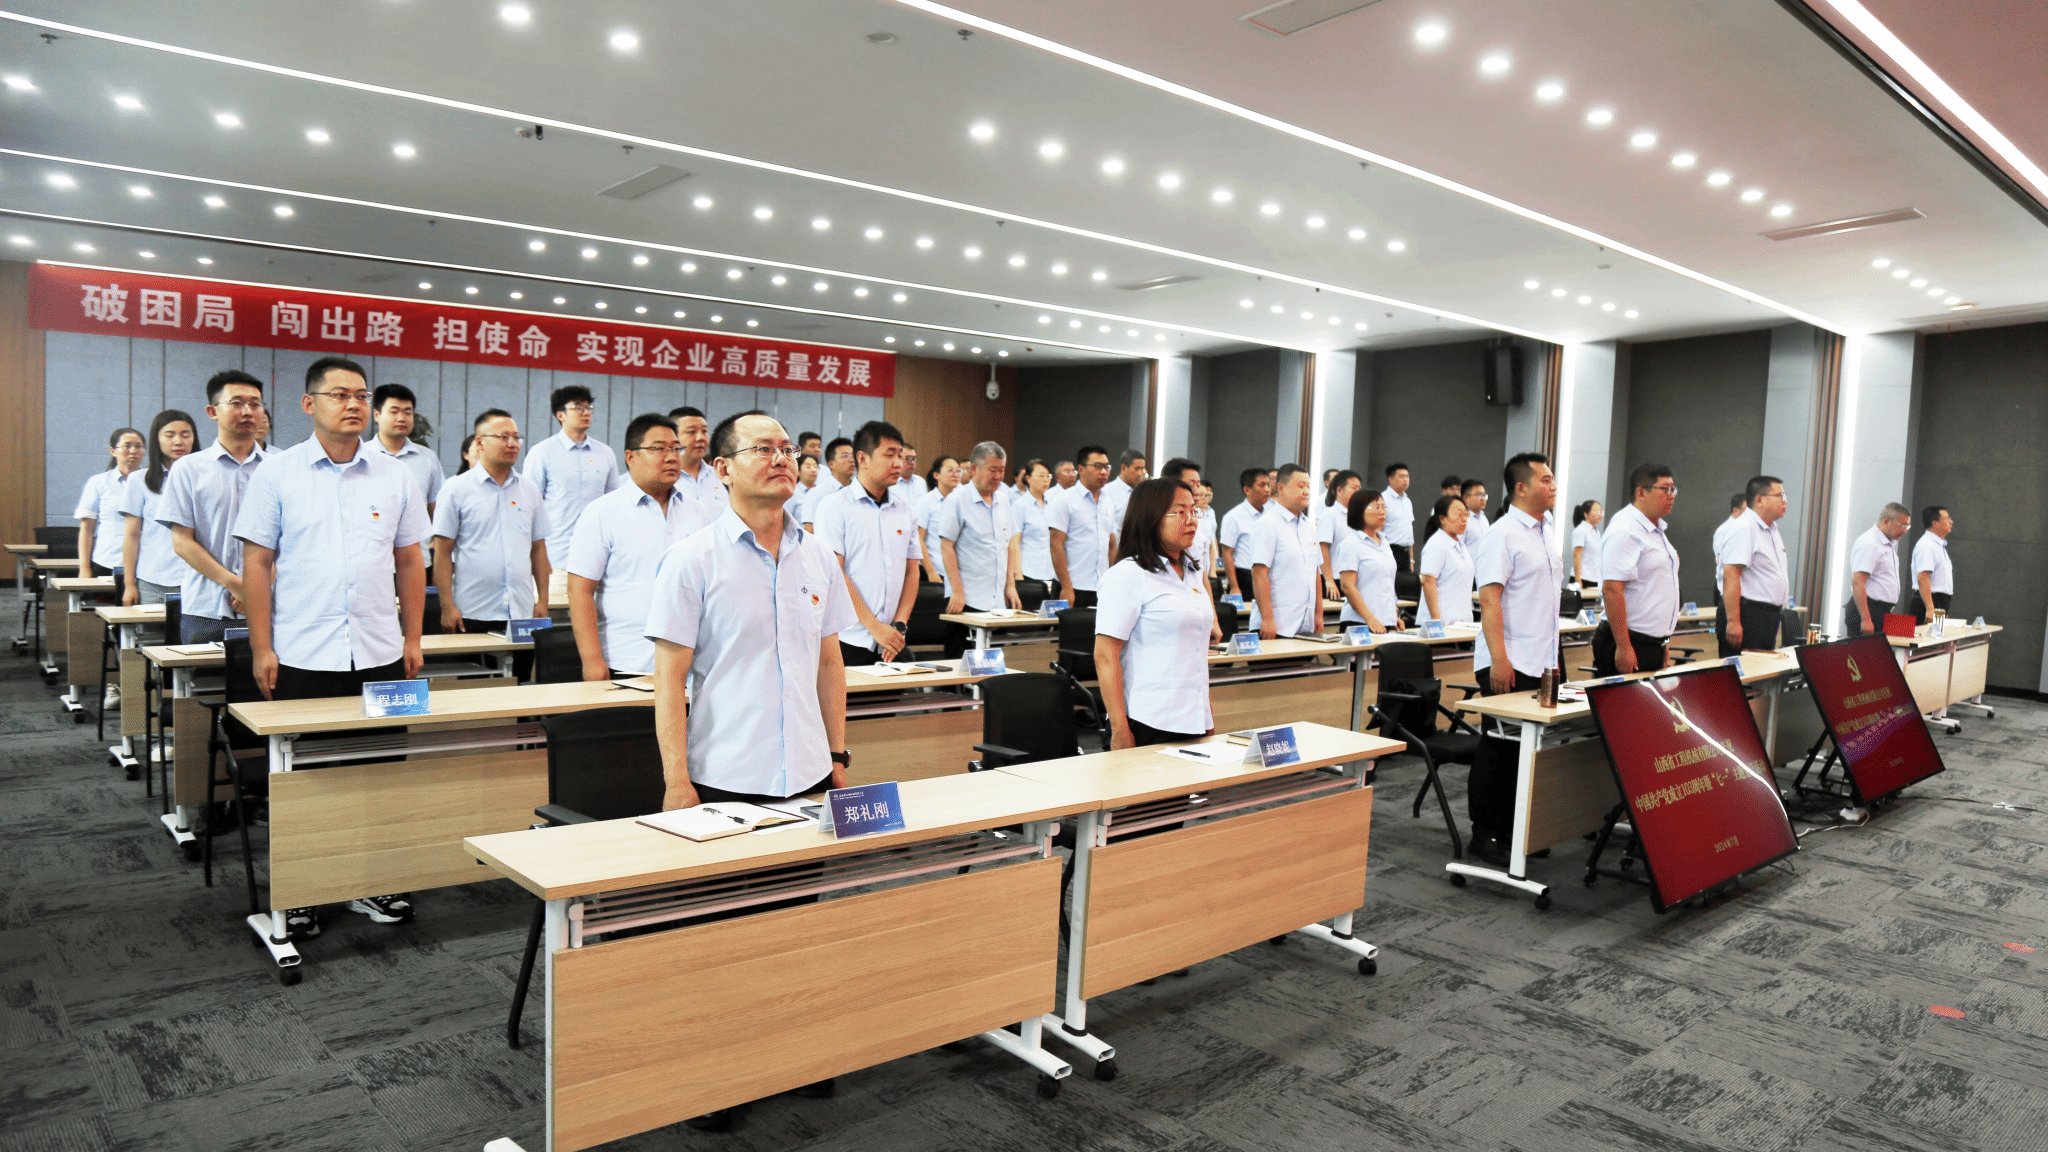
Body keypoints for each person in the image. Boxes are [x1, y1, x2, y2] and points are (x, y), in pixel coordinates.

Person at [644, 408, 851, 1120]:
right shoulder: (693, 559)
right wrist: (676, 781)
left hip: (807, 775)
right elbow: (668, 681)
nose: (782, 458)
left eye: (788, 448)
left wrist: (838, 755)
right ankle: (715, 1073)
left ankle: (784, 1051)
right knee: (722, 934)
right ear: (723, 468)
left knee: (794, 927)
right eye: (763, 448)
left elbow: (829, 664)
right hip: (723, 778)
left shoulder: (818, 556)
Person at [235, 355, 429, 936]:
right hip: (303, 654)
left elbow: (409, 561)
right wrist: (261, 647)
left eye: (361, 395)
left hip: (382, 652)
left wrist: (413, 637)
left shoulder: (395, 474)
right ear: (309, 404)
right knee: (306, 778)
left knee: (381, 773)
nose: (354, 405)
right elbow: (257, 563)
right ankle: (302, 891)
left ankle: (375, 881)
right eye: (340, 394)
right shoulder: (277, 473)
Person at [565, 413, 711, 680]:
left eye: (675, 448)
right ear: (630, 457)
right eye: (659, 448)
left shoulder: (698, 512)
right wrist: (592, 660)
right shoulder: (602, 512)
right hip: (627, 661)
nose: (671, 457)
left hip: (690, 666)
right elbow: (580, 590)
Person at [1470, 452, 1562, 867]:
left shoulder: (1545, 531)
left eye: (1553, 478)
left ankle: (1516, 829)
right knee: (1498, 750)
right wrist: (1499, 660)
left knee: (1530, 751)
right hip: (1509, 658)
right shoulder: (1502, 534)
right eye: (1545, 479)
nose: (1553, 485)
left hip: (1542, 659)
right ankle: (1485, 833)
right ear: (1521, 488)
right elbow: (1490, 600)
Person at [431, 409, 551, 680]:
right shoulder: (456, 489)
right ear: (480, 442)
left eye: (516, 437)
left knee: (520, 684)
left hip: (521, 612)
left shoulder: (529, 489)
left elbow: (538, 549)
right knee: (475, 689)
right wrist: (447, 606)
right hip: (473, 610)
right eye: (503, 437)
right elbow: (443, 552)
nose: (512, 444)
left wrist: (542, 600)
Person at [1096, 478, 1216, 748]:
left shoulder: (1193, 572)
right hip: (1148, 720)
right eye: (1180, 512)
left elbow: (1196, 654)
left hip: (1192, 717)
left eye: (1193, 511)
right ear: (1151, 518)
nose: (1191, 520)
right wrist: (1120, 730)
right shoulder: (1127, 575)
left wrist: (1206, 714)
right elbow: (1105, 656)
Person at [160, 370, 270, 645]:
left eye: (255, 404)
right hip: (206, 607)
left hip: (271, 605)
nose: (248, 411)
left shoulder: (278, 468)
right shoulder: (188, 468)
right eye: (237, 403)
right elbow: (182, 543)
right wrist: (235, 584)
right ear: (213, 411)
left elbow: (291, 540)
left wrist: (259, 587)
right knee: (201, 673)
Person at [814, 421, 922, 667]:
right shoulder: (834, 506)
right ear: (862, 458)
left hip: (893, 640)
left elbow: (912, 571)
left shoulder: (906, 510)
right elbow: (834, 572)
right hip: (848, 638)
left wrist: (899, 625)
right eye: (889, 455)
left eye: (900, 455)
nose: (898, 463)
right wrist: (874, 627)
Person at [937, 442, 1022, 655]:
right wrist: (957, 591)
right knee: (961, 663)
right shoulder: (957, 500)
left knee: (993, 665)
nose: (998, 476)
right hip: (966, 598)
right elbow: (947, 546)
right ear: (974, 469)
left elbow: (1010, 545)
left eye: (1002, 470)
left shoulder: (1003, 500)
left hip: (998, 600)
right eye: (993, 470)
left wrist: (1010, 585)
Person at [1595, 465, 1681, 676]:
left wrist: (1663, 641)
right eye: (1665, 489)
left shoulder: (1656, 530)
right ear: (1641, 492)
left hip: (1651, 643)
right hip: (1628, 641)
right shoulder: (1625, 529)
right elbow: (1612, 590)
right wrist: (1623, 646)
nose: (1671, 495)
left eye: (1673, 489)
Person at [525, 385, 619, 567]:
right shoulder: (542, 452)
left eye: (589, 407)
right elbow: (530, 505)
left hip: (597, 556)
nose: (586, 413)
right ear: (560, 415)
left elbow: (614, 502)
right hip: (555, 556)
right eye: (578, 407)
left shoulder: (605, 453)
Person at [119, 410, 198, 609]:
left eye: (185, 435)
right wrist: (129, 584)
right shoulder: (139, 481)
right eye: (169, 435)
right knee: (150, 629)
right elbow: (131, 535)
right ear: (157, 439)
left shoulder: (207, 479)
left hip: (200, 579)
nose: (178, 442)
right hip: (154, 580)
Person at [1721, 475, 1791, 655]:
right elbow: (1730, 575)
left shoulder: (1772, 530)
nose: (1785, 501)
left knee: (1763, 670)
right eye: (1780, 496)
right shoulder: (1744, 527)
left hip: (1768, 616)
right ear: (1759, 500)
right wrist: (1734, 622)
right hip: (1747, 615)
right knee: (1744, 671)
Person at [1247, 463, 1318, 639]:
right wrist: (1267, 618)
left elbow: (1315, 571)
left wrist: (1318, 614)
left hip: (1305, 625)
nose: (1306, 491)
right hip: (1277, 625)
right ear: (1281, 488)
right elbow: (1259, 572)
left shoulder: (1309, 526)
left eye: (1308, 486)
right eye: (1300, 486)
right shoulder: (1268, 524)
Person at [1047, 445, 1115, 609]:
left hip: (1101, 589)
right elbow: (1056, 544)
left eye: (1106, 467)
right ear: (1081, 469)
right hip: (1070, 587)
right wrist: (1066, 587)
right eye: (1098, 466)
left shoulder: (1108, 502)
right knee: (1060, 626)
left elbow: (1112, 545)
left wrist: (1112, 582)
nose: (1104, 472)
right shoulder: (1064, 500)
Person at [76, 426, 144, 580]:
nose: (133, 451)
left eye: (138, 446)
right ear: (113, 451)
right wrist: (84, 568)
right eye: (127, 446)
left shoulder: (153, 482)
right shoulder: (98, 483)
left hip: (144, 564)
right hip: (108, 561)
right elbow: (87, 530)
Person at [368, 383, 444, 518]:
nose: (401, 418)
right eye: (394, 412)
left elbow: (437, 508)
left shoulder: (428, 458)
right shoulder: (362, 454)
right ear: (376, 415)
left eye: (407, 413)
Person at [1334, 489, 1399, 633]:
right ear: (1359, 511)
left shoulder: (1384, 542)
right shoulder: (1351, 544)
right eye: (1376, 507)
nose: (1382, 511)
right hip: (1360, 622)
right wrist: (1370, 619)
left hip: (1384, 621)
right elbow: (1347, 586)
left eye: (1383, 507)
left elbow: (1387, 582)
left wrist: (1393, 615)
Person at [1846, 504, 1910, 637]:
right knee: (1866, 652)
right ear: (1887, 521)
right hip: (1868, 611)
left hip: (1883, 611)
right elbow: (1857, 582)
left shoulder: (1889, 543)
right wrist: (1866, 619)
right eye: (1902, 526)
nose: (1905, 531)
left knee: (1907, 638)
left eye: (1907, 527)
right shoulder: (1870, 543)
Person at [1416, 495, 1474, 626]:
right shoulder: (1436, 544)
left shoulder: (1461, 545)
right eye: (1458, 515)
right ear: (1442, 518)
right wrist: (1436, 619)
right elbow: (1427, 581)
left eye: (1466, 514)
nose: (1464, 519)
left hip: (1461, 624)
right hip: (1441, 624)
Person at [665, 406, 729, 519]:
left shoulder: (722, 477)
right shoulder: (661, 479)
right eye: (691, 432)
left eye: (704, 431)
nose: (700, 437)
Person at [1219, 467, 1273, 598]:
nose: (1267, 489)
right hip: (1245, 578)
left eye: (1268, 484)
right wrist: (1235, 587)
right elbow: (1227, 553)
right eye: (1262, 485)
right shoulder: (1234, 517)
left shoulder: (1271, 515)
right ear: (1247, 490)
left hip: (1268, 576)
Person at [1013, 459, 1057, 601]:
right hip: (1029, 572)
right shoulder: (1020, 506)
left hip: (1052, 573)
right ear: (1028, 478)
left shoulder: (1054, 505)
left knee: (1051, 613)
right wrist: (1018, 575)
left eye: (1048, 476)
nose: (1045, 480)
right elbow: (1014, 543)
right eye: (1041, 476)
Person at [1710, 491, 1748, 653]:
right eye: (1746, 510)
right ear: (1735, 510)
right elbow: (1724, 565)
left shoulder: (1746, 529)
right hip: (1727, 589)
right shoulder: (1726, 530)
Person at [914, 455, 961, 582]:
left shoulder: (961, 501)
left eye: (958, 470)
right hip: (936, 571)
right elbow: (919, 539)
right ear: (936, 475)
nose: (955, 474)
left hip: (959, 573)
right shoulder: (925, 502)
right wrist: (931, 572)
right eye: (950, 470)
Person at [1318, 470, 1362, 600]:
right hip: (1335, 580)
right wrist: (1329, 580)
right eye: (1354, 488)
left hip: (1354, 579)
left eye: (1359, 488)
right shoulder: (1330, 515)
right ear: (1339, 490)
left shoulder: (1357, 515)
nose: (1358, 492)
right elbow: (1322, 548)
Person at [1910, 505, 1954, 624]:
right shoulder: (1926, 545)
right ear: (1934, 523)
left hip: (1938, 603)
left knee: (1938, 634)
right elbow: (1922, 578)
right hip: (1927, 603)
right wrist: (1930, 609)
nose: (1951, 522)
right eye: (1947, 519)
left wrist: (1943, 609)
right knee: (1923, 635)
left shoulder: (1939, 545)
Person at [801, 436, 855, 530]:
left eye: (853, 455)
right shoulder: (816, 494)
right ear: (831, 464)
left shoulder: (859, 491)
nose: (852, 460)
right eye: (845, 456)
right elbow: (809, 531)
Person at [1381, 462, 1416, 571]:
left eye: (1407, 476)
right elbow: (1377, 528)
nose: (1406, 480)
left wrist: (1411, 560)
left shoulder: (1407, 501)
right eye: (1401, 476)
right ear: (1390, 479)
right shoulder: (1383, 499)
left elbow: (1409, 531)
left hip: (1405, 554)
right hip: (1389, 551)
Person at [1102, 449, 1147, 528]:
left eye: (1142, 468)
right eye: (1137, 469)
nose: (1140, 473)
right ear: (1123, 468)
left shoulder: (1144, 492)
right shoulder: (1106, 492)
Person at [1570, 500, 1604, 589]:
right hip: (1582, 579)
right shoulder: (1581, 530)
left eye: (1600, 511)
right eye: (1596, 511)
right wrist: (1578, 579)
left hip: (1594, 579)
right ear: (1586, 514)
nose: (1599, 514)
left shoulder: (1596, 531)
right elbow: (1576, 555)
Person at [1460, 478, 1492, 548]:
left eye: (1484, 495)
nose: (1483, 499)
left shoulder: (1484, 518)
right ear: (1466, 498)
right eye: (1479, 495)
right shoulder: (1461, 519)